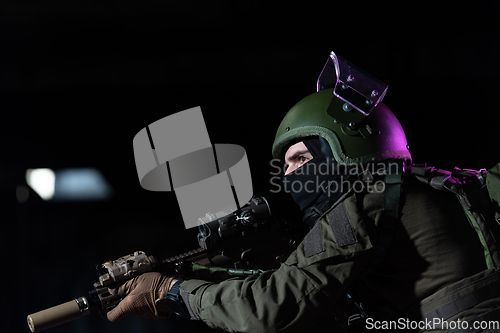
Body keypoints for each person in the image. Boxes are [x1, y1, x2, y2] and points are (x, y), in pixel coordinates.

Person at [105, 81, 500, 332]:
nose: (290, 175)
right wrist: (191, 271)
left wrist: (171, 291)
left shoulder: (364, 206)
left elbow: (268, 306)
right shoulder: (445, 184)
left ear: (342, 149)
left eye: (300, 159)